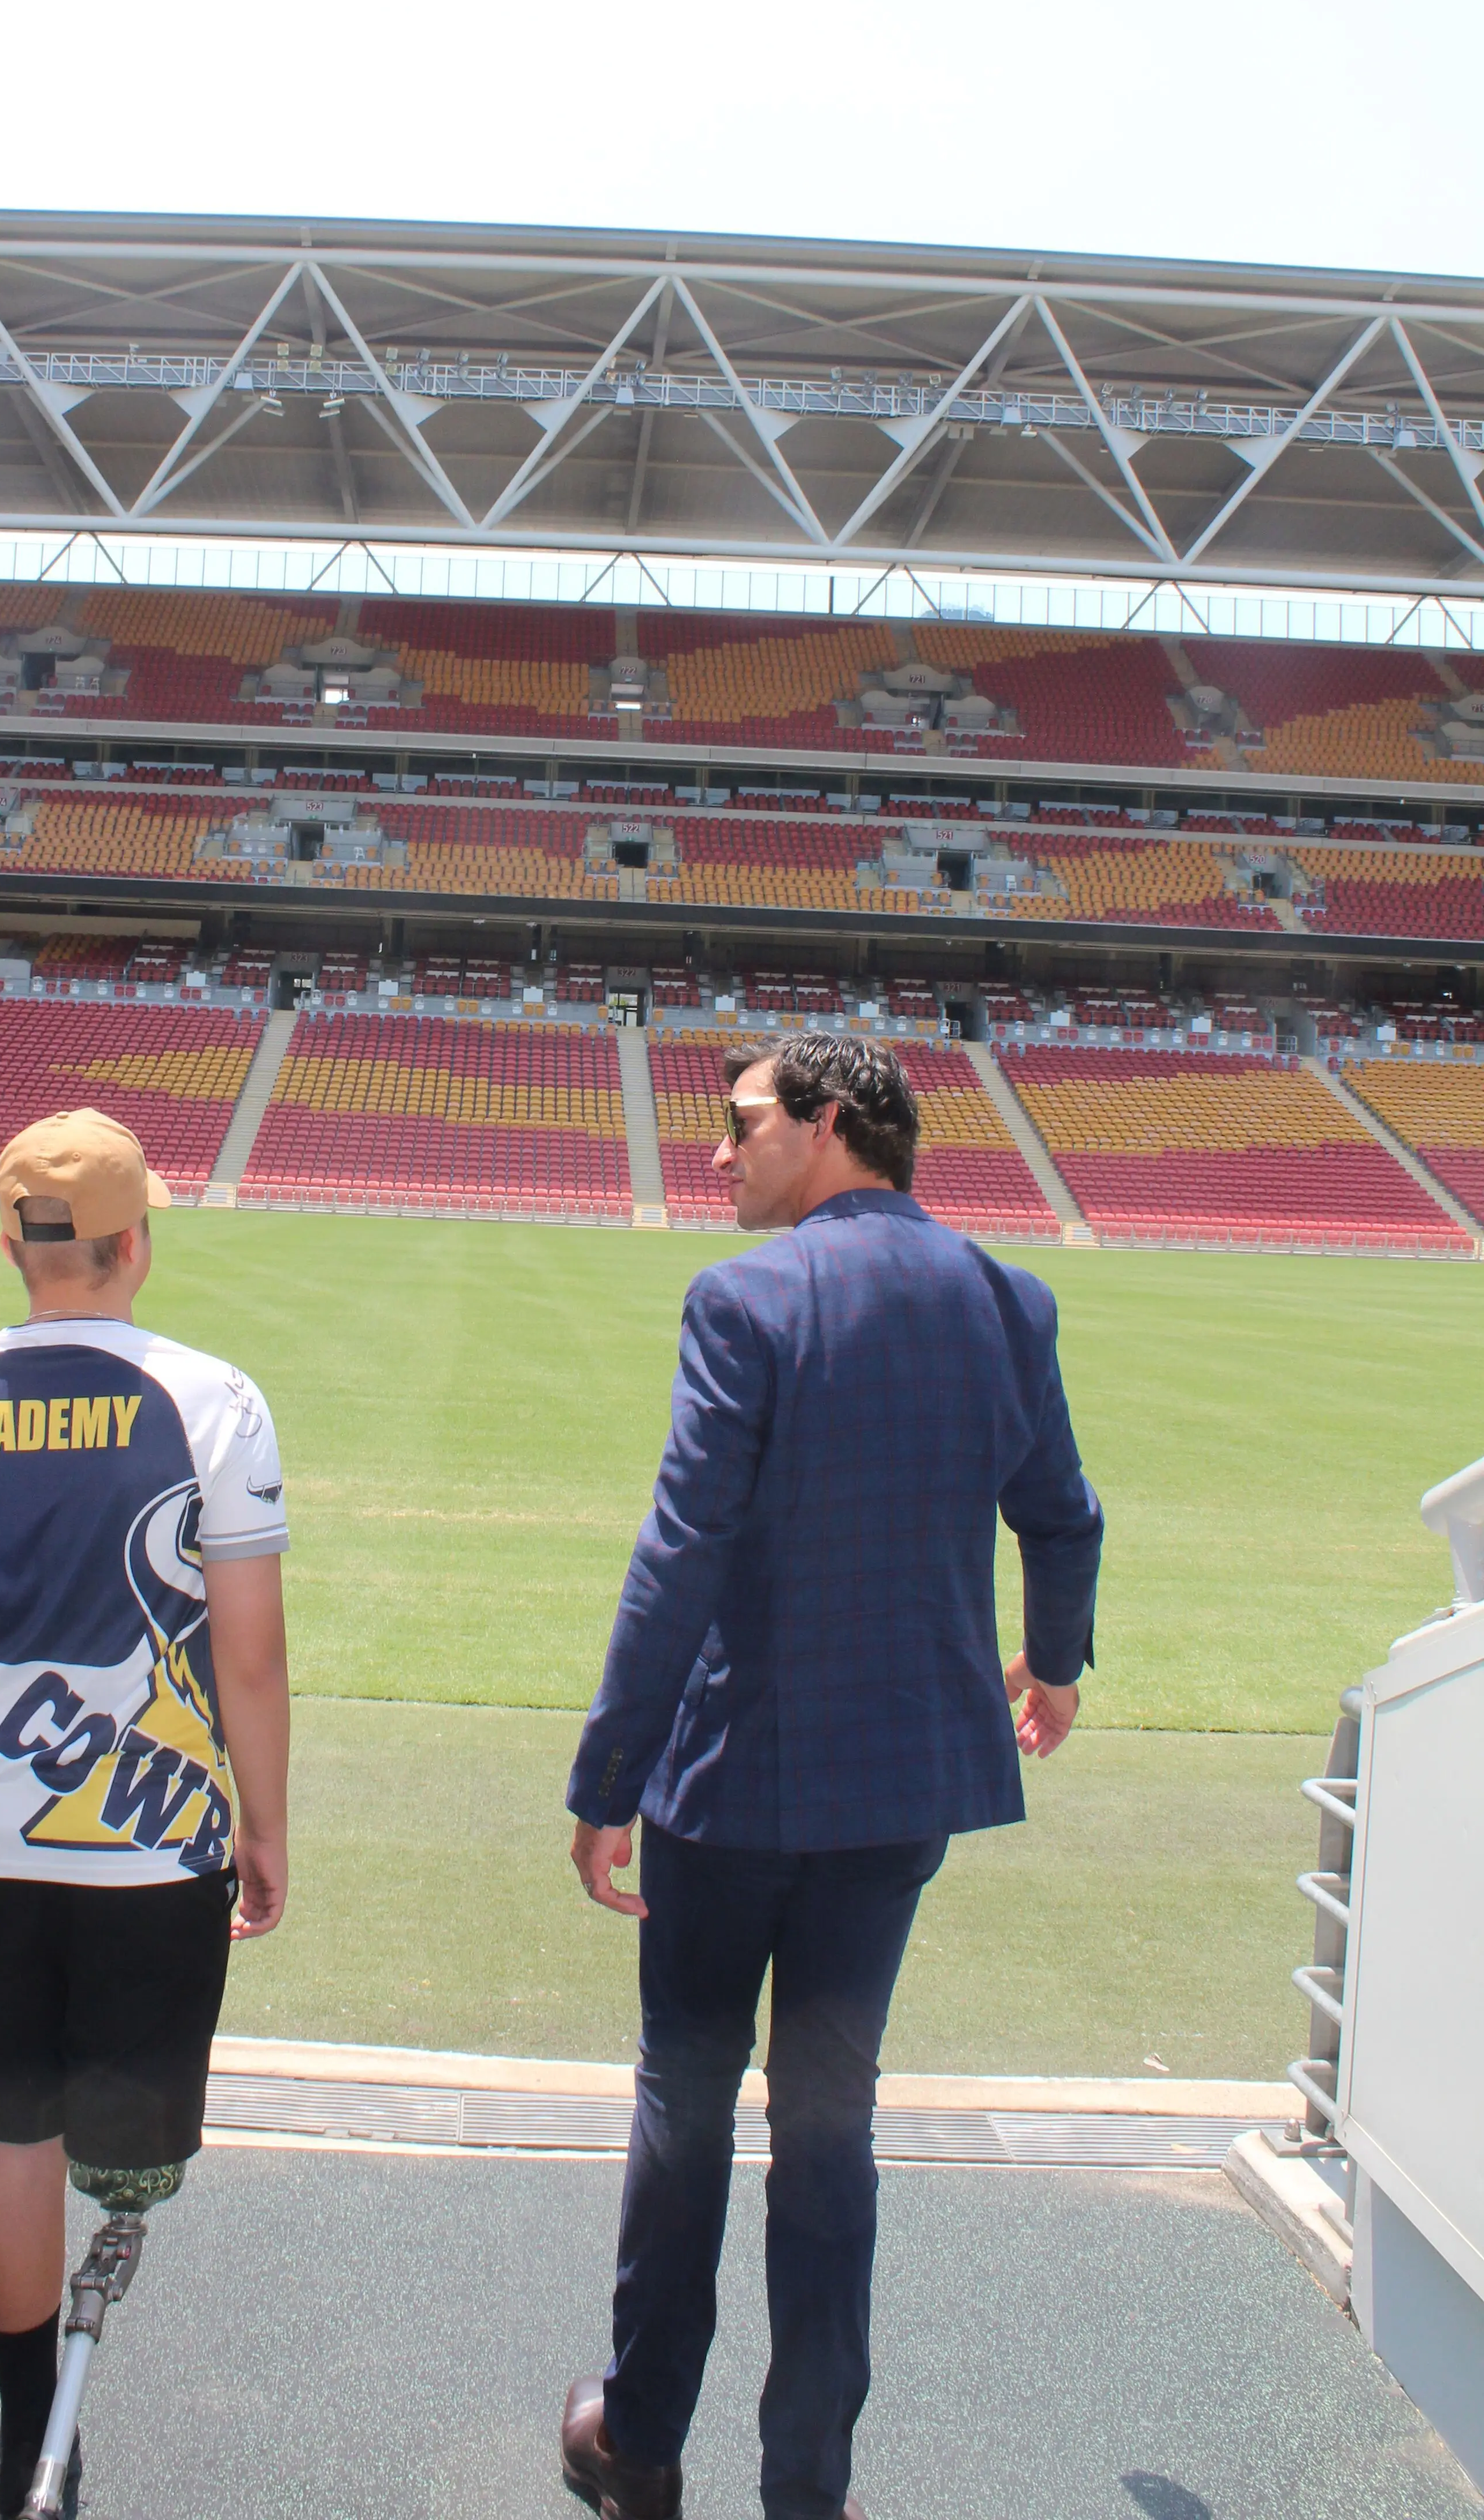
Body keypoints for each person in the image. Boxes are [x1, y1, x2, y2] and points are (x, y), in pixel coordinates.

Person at [560, 1033, 1102, 2520]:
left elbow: (685, 1555)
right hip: (903, 1785)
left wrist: (607, 1771)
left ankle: (642, 2440)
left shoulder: (745, 1297)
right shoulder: (1007, 1297)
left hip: (730, 1786)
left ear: (833, 1122)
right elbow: (1064, 1518)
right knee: (829, 2122)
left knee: (686, 2091)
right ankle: (808, 2485)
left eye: (742, 1126)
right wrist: (1057, 1666)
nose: (719, 1155)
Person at [0, 1107, 290, 2516]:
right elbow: (248, 1649)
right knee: (125, 2141)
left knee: (13, 2132)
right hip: (157, 1830)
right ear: (137, 1245)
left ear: (14, 1243)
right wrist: (266, 1821)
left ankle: (22, 2445)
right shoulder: (214, 1399)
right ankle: (88, 2329)